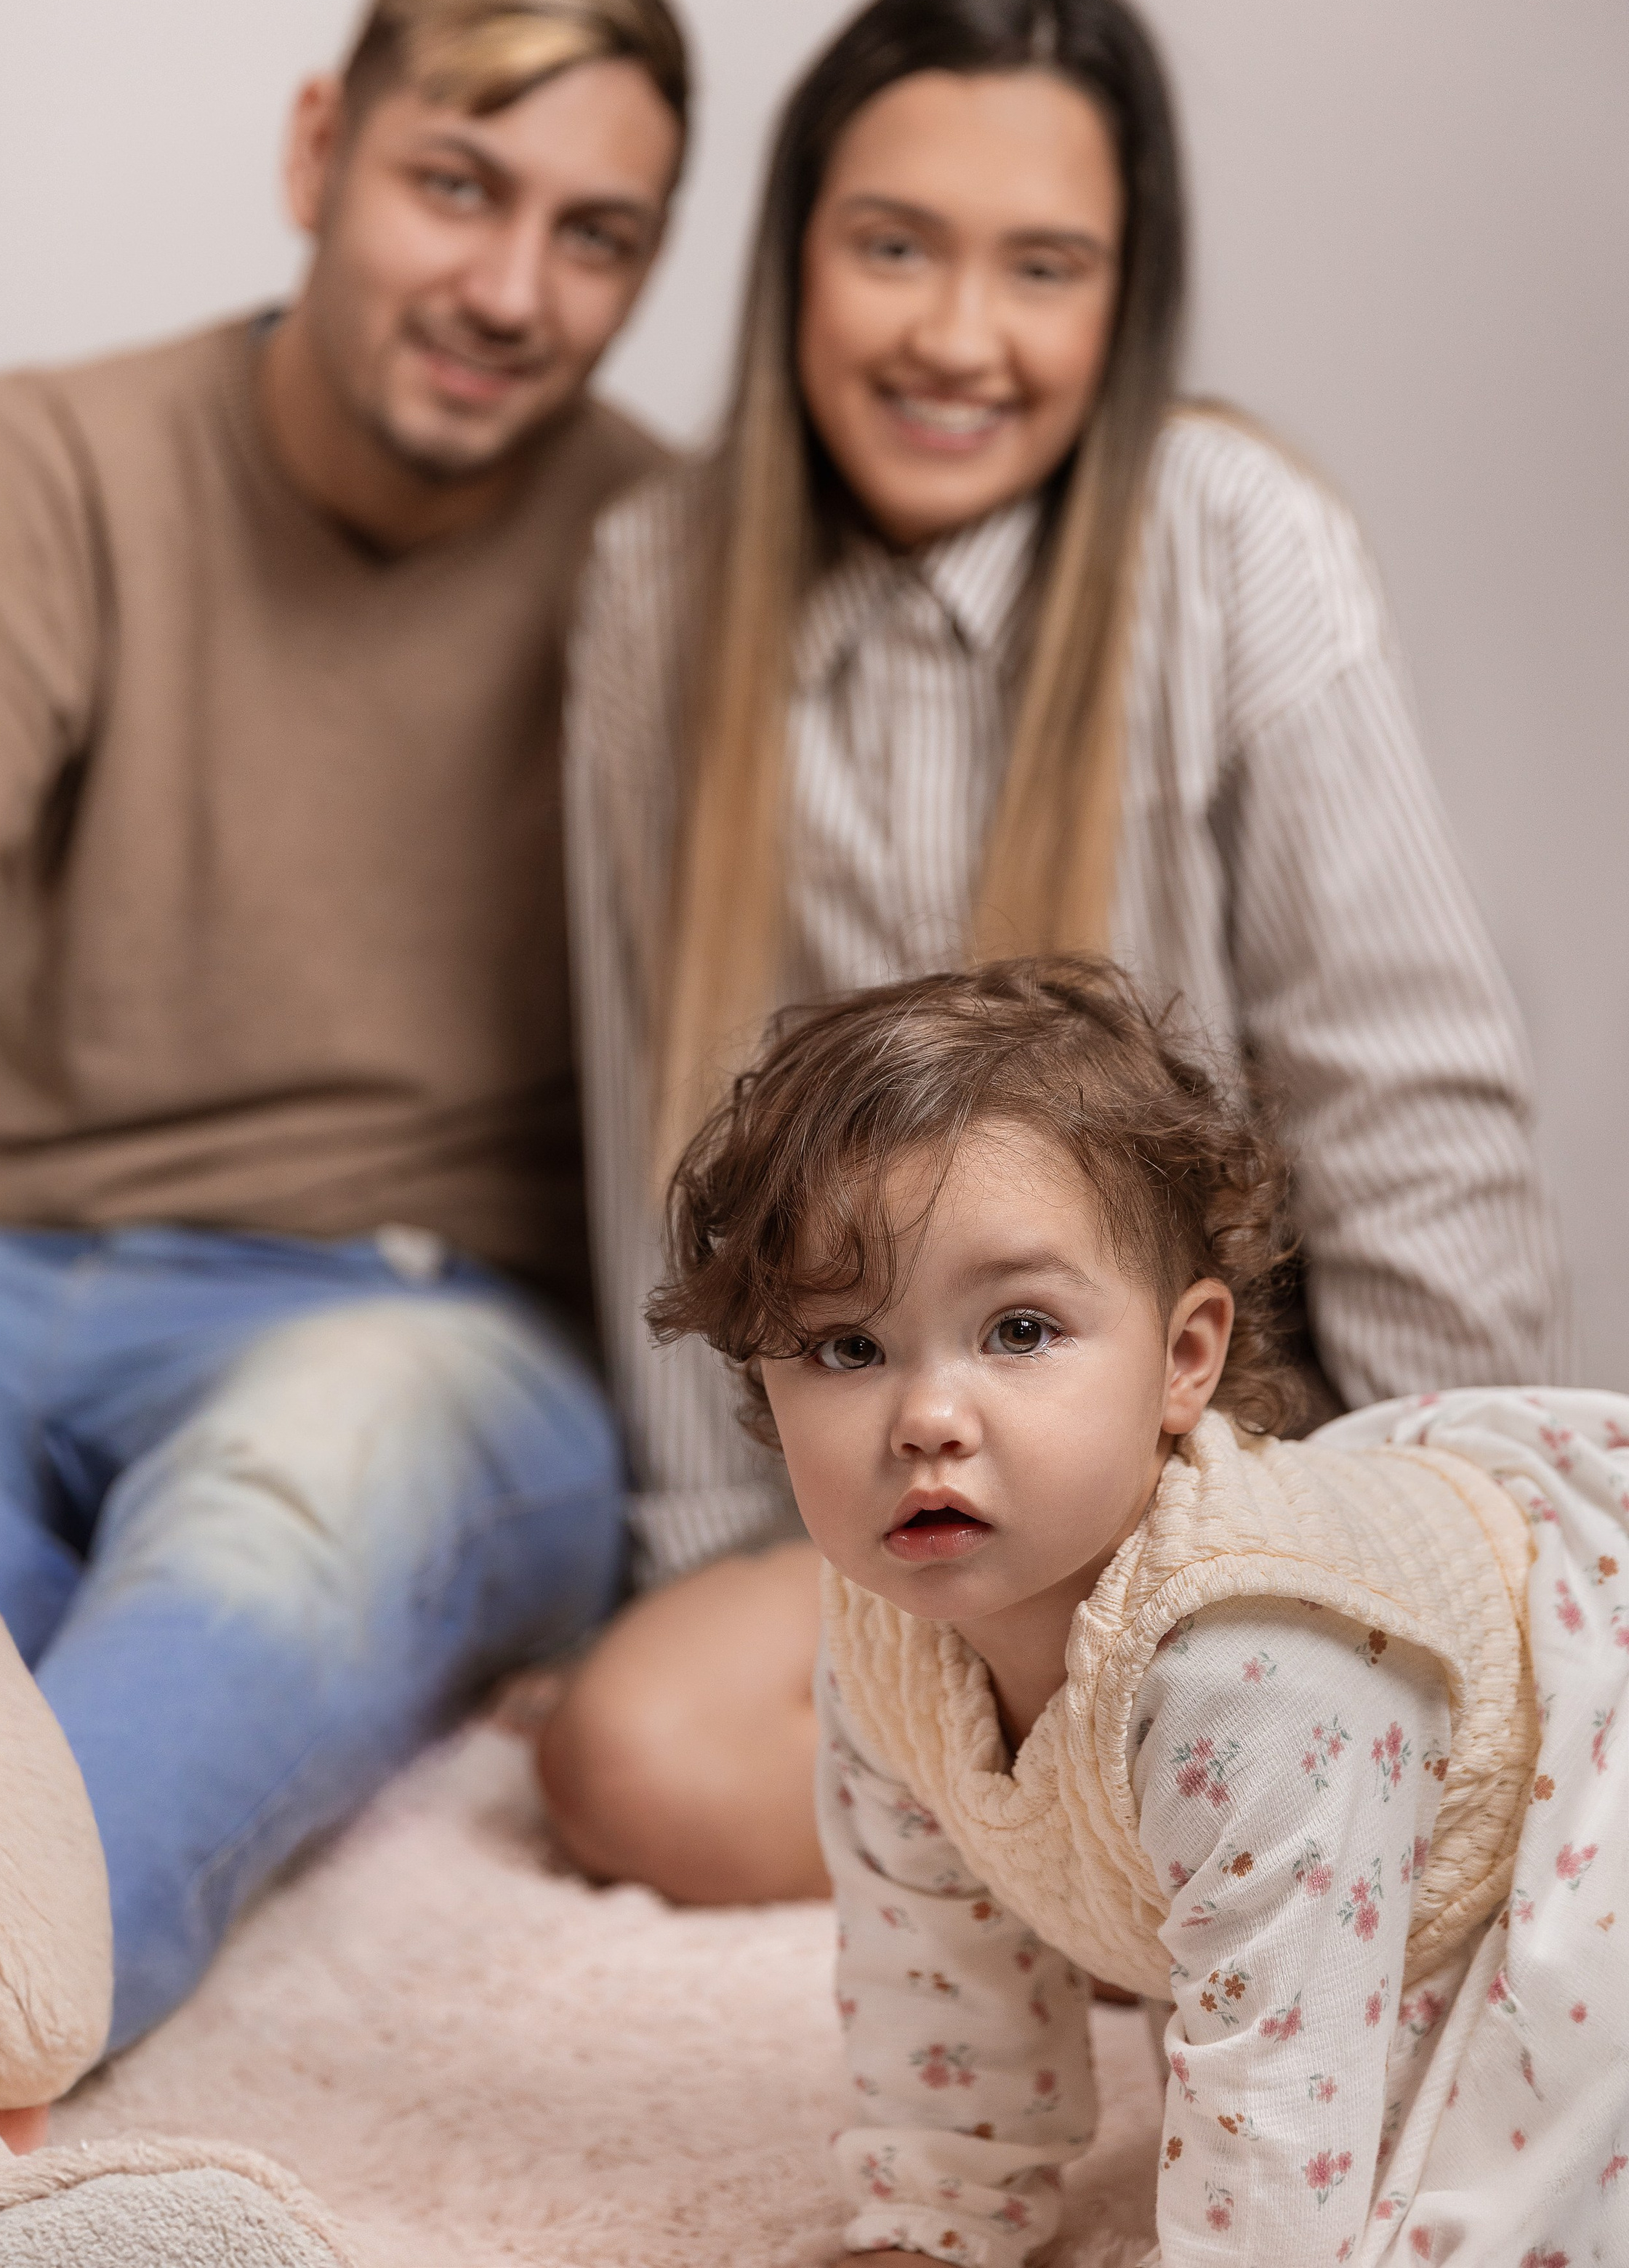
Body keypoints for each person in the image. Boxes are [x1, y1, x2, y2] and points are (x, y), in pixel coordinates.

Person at [540, 0, 1566, 1906]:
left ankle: (1177, 1829)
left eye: (1042, 266)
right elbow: (652, 1108)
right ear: (793, 261)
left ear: (1124, 296)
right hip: (903, 1461)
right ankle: (1110, 1854)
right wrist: (696, 1557)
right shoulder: (656, 581)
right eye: (893, 246)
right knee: (622, 1758)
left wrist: (1466, 1531)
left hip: (1219, 1460)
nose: (957, 334)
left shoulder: (1235, 538)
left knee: (1229, 1713)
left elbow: (1411, 1102)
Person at [0, 0, 689, 2051]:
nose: (511, 289)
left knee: (275, 1536)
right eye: (455, 183)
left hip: (407, 1310)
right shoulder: (48, 465)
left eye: (596, 236)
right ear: (315, 151)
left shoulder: (669, 558)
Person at [651, 955, 1621, 2267]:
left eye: (1020, 1330)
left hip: (1562, 1778)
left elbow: (1284, 2086)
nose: (928, 1418)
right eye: (847, 1348)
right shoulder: (883, 1629)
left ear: (1182, 1359)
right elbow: (929, 1957)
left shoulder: (1257, 1670)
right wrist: (937, 2216)